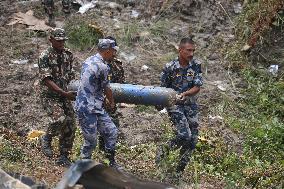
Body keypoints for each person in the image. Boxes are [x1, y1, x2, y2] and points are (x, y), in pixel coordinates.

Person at [156, 37, 203, 174]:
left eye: (193, 50)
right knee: (184, 135)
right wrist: (160, 104)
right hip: (175, 105)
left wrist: (186, 94)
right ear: (180, 50)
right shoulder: (170, 67)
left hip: (191, 106)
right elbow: (163, 89)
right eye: (188, 50)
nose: (191, 53)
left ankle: (178, 172)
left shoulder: (195, 65)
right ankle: (164, 149)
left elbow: (197, 86)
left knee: (192, 140)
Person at [75, 38, 121, 169]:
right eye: (113, 51)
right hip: (86, 108)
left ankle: (109, 162)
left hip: (96, 106)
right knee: (91, 141)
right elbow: (107, 88)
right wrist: (111, 103)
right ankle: (82, 167)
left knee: (111, 131)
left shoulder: (87, 60)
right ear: (107, 51)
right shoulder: (102, 66)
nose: (114, 54)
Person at [38, 28, 76, 167]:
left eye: (63, 41)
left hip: (64, 93)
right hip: (49, 94)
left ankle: (64, 156)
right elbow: (47, 80)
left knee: (71, 124)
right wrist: (64, 93)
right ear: (51, 40)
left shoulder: (68, 54)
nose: (61, 43)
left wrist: (72, 91)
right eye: (58, 41)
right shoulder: (45, 56)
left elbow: (71, 74)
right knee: (59, 119)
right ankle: (46, 137)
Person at [98, 36, 125, 152]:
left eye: (115, 50)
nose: (114, 53)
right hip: (97, 103)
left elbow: (121, 85)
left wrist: (113, 101)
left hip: (111, 104)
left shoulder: (118, 65)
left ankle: (108, 156)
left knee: (113, 129)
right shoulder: (96, 63)